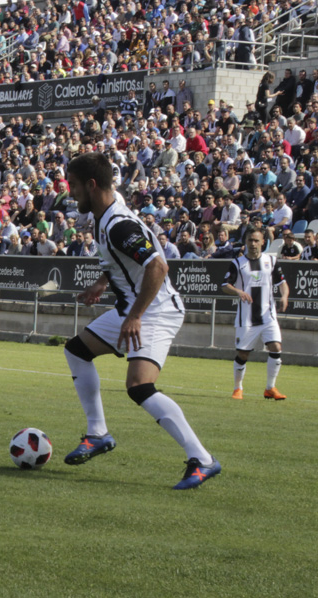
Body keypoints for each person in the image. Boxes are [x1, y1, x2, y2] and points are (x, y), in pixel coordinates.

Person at [60, 152, 220, 490]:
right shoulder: (106, 211)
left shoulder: (118, 224)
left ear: (91, 185)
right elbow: (121, 259)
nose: (69, 192)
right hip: (132, 306)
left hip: (154, 310)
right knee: (76, 350)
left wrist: (135, 316)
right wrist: (103, 283)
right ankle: (98, 433)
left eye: (73, 186)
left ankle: (202, 459)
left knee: (139, 386)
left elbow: (158, 267)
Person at [220, 228, 290, 401]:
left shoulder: (271, 261)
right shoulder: (238, 263)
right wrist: (238, 291)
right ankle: (238, 388)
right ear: (246, 242)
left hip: (268, 315)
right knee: (243, 354)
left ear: (263, 242)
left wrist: (285, 296)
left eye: (256, 241)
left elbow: (282, 282)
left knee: (276, 347)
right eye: (250, 240)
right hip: (247, 318)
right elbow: (224, 285)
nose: (253, 244)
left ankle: (270, 388)